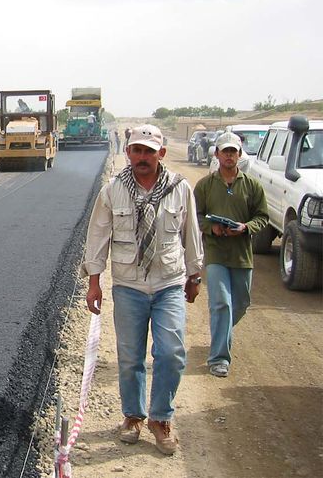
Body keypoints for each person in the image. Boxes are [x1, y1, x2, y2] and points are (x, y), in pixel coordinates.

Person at [81, 124, 203, 455]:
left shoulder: (180, 189)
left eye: (150, 151)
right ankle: (133, 416)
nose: (143, 157)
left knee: (171, 353)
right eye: (137, 150)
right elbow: (97, 237)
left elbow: (191, 234)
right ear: (128, 153)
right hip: (129, 286)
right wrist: (94, 282)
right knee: (130, 356)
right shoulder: (112, 191)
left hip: (169, 284)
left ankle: (161, 418)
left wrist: (194, 276)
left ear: (161, 153)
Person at [193, 132, 268, 378]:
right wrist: (211, 227)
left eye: (232, 151)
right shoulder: (205, 185)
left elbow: (262, 217)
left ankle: (220, 332)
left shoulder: (252, 186)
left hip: (241, 254)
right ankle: (219, 359)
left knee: (241, 303)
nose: (228, 155)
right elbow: (195, 216)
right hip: (215, 253)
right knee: (221, 303)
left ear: (239, 155)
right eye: (224, 151)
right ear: (216, 154)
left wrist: (246, 228)